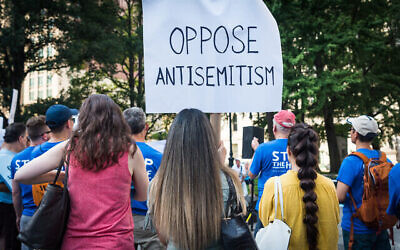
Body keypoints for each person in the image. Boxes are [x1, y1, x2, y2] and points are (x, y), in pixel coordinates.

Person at [15, 94, 149, 249]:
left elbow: (21, 175)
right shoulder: (130, 149)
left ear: (83, 118)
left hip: (75, 242)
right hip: (117, 242)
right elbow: (143, 194)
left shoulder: (71, 146)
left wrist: (60, 176)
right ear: (116, 118)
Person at [148, 108, 246, 249]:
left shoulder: (158, 184)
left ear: (172, 144)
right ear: (208, 141)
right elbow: (235, 227)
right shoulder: (230, 180)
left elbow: (162, 238)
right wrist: (219, 164)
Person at [259, 123, 339, 249]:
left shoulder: (274, 186)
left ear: (288, 151)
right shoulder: (329, 186)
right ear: (315, 153)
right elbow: (336, 220)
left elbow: (265, 222)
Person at [336, 115, 391, 250]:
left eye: (351, 129)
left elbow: (339, 196)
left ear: (356, 133)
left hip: (357, 229)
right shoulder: (385, 159)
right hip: (380, 225)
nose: (350, 132)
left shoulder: (350, 161)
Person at [123, 107, 164, 250]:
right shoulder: (158, 157)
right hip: (149, 221)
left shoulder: (116, 155)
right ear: (146, 127)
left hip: (121, 220)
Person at [249, 110, 295, 236]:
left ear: (274, 128)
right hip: (292, 205)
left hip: (266, 206)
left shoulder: (263, 148)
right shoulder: (298, 148)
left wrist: (256, 150)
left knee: (262, 241)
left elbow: (251, 175)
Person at [11, 116, 50, 250]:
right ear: (45, 136)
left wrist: (18, 216)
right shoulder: (51, 156)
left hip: (27, 215)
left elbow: (15, 192)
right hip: (49, 216)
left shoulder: (16, 159)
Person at [29, 104, 77, 206]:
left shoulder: (36, 152)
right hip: (71, 209)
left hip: (46, 209)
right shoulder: (74, 148)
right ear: (69, 123)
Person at [0, 122, 26, 250]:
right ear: (20, 139)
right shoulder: (5, 158)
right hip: (7, 207)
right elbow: (14, 188)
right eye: (26, 138)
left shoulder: (10, 156)